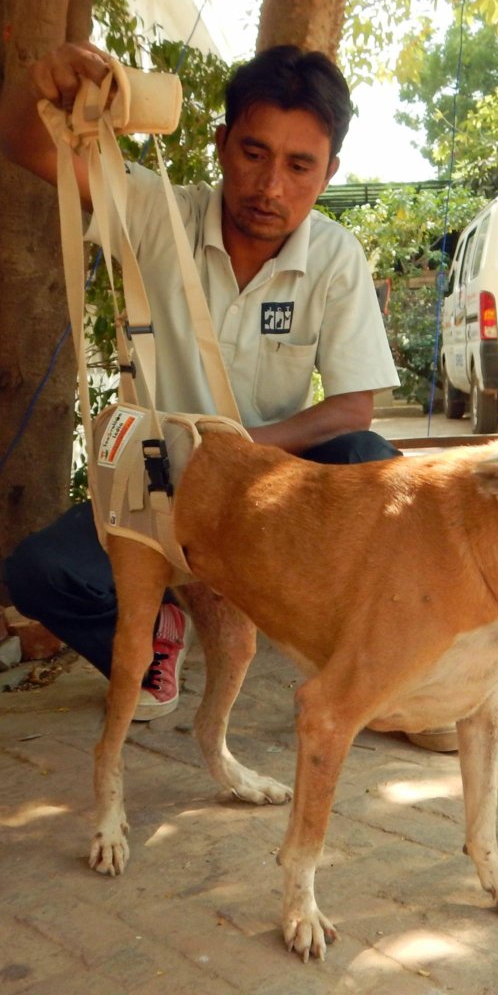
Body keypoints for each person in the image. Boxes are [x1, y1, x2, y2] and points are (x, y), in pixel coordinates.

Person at [0, 41, 401, 721]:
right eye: (253, 153)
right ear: (221, 144)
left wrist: (243, 451)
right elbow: (24, 145)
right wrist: (36, 82)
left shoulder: (335, 256)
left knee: (373, 471)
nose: (271, 186)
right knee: (36, 572)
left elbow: (350, 410)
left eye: (298, 165)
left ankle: (384, 675)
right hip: (161, 487)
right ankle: (155, 635)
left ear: (328, 172)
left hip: (273, 483)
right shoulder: (158, 214)